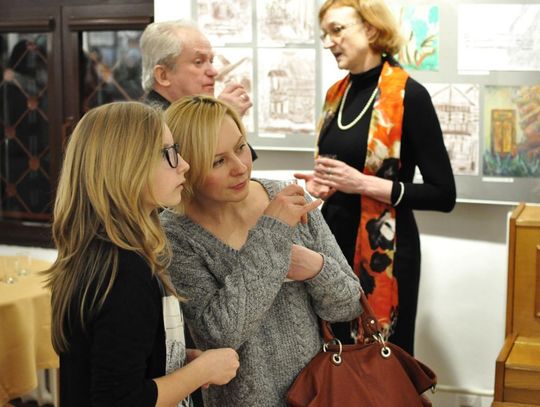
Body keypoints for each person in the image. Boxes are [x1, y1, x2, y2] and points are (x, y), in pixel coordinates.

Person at [161, 95, 362, 407]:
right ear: (187, 167)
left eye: (241, 147)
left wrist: (316, 267)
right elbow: (220, 335)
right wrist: (272, 231)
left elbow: (349, 305)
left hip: (320, 393)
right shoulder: (175, 234)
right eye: (218, 161)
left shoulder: (287, 197)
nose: (240, 167)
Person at [43, 101, 240, 406]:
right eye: (168, 153)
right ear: (126, 165)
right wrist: (201, 372)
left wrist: (171, 357)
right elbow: (119, 399)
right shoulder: (123, 270)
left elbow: (116, 358)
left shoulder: (107, 254)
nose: (184, 164)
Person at [295, 0, 456, 356]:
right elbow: (341, 173)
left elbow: (443, 194)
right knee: (335, 358)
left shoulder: (410, 96)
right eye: (325, 34)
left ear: (370, 29)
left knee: (380, 363)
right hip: (332, 247)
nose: (328, 42)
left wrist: (362, 183)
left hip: (388, 253)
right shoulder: (336, 95)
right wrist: (323, 186)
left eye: (337, 30)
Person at [139, 19, 257, 160]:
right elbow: (197, 169)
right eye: (198, 62)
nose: (214, 72)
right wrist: (221, 118)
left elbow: (241, 166)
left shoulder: (183, 114)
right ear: (163, 75)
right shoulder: (148, 124)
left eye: (211, 61)